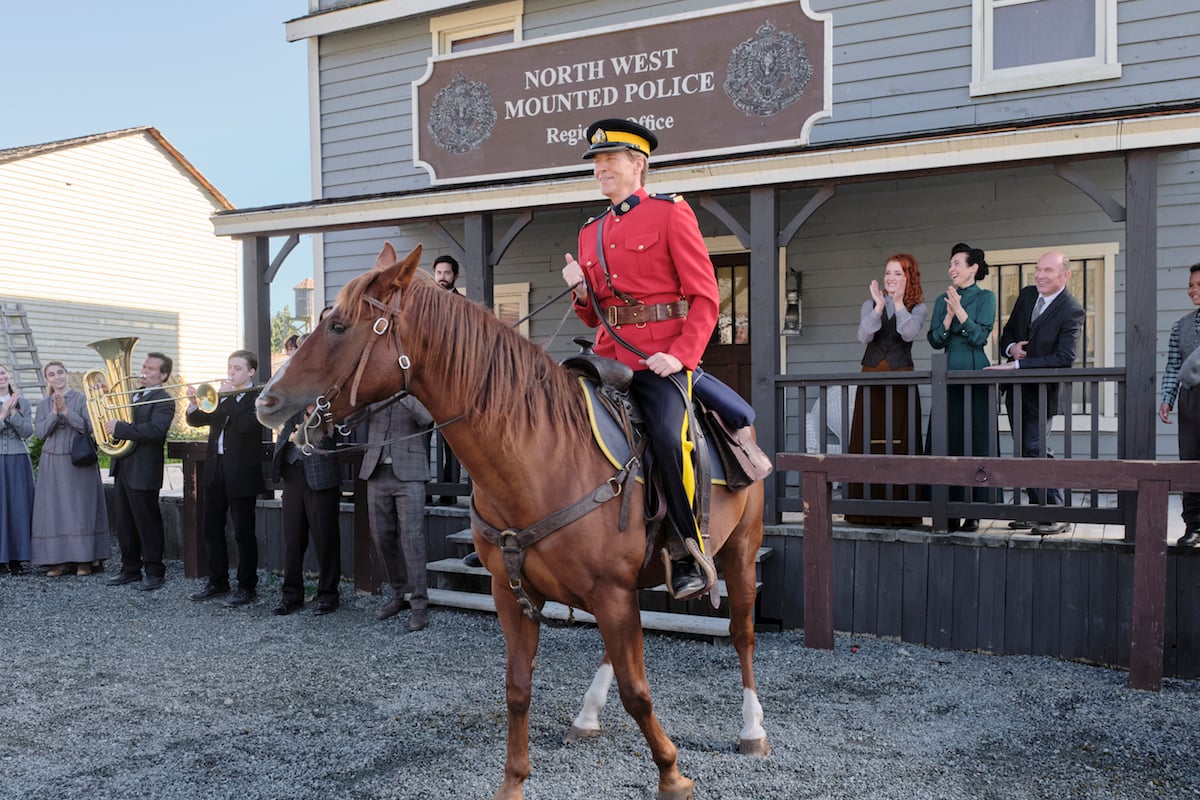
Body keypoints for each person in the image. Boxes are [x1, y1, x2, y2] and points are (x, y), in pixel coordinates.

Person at [561, 118, 720, 601]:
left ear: (639, 164)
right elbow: (593, 318)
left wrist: (681, 357)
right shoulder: (590, 232)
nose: (601, 168)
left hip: (660, 359)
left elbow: (706, 297)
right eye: (596, 162)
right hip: (608, 357)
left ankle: (685, 547)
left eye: (610, 159)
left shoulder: (671, 214)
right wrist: (578, 290)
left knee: (671, 437)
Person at [986, 251, 1085, 535]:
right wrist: (1010, 348)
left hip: (1043, 394)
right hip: (1016, 391)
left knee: (1037, 449)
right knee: (1024, 451)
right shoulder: (1028, 295)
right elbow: (1007, 332)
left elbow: (1065, 357)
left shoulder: (1071, 309)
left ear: (1065, 275)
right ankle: (1036, 511)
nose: (1040, 275)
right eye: (1038, 269)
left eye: (1048, 270)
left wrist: (1018, 364)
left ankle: (1056, 513)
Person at [846, 254, 927, 527]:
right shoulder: (870, 304)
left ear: (909, 277)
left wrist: (897, 304)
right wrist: (879, 307)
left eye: (898, 273)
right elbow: (863, 336)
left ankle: (901, 510)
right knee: (868, 439)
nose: (891, 278)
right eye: (888, 273)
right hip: (871, 380)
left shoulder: (918, 307)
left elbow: (908, 333)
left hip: (901, 380)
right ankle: (864, 510)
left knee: (900, 441)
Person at [185, 350, 268, 606]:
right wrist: (192, 404)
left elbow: (246, 425)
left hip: (242, 473)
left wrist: (224, 399)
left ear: (251, 372)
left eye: (237, 369)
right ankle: (218, 582)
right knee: (211, 528)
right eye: (229, 367)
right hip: (215, 469)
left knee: (243, 532)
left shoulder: (260, 396)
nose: (231, 373)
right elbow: (197, 421)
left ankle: (246, 587)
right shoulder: (221, 398)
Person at [926, 244, 996, 533]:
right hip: (947, 368)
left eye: (957, 263)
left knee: (975, 437)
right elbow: (935, 340)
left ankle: (975, 509)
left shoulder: (986, 297)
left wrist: (961, 313)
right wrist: (948, 316)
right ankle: (947, 506)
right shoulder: (943, 299)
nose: (951, 268)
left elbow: (980, 337)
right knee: (948, 436)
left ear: (973, 268)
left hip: (974, 367)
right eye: (950, 263)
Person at [358, 395, 436, 631]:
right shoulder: (374, 392)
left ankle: (419, 604)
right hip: (376, 471)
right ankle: (398, 593)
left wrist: (400, 394)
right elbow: (354, 415)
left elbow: (427, 418)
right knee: (381, 537)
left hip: (410, 473)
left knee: (412, 538)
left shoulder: (415, 392)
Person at [31, 361, 109, 576]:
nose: (57, 377)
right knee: (55, 511)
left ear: (66, 374)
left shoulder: (82, 398)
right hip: (52, 462)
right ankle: (58, 561)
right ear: (47, 379)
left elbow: (89, 427)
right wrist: (55, 413)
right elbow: (40, 433)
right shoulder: (44, 404)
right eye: (52, 375)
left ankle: (84, 560)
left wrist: (66, 411)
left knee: (80, 509)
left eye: (60, 373)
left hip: (78, 460)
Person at [106, 352, 175, 591]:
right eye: (143, 366)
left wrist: (121, 428)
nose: (143, 371)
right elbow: (117, 419)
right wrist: (105, 397)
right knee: (124, 521)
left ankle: (155, 571)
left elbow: (156, 431)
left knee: (147, 522)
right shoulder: (132, 394)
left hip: (144, 469)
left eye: (150, 368)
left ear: (163, 375)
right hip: (124, 465)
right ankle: (130, 568)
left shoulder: (164, 399)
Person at [270, 406, 343, 616]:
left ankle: (328, 595)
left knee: (326, 539)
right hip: (293, 471)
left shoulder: (330, 398)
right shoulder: (295, 398)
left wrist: (319, 416)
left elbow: (341, 429)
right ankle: (291, 596)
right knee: (292, 539)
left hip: (321, 474)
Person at [1158, 262, 1200, 547]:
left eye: (1198, 285)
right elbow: (1173, 366)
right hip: (1193, 399)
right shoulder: (1181, 326)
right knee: (1191, 463)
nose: (1193, 290)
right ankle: (1194, 526)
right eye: (1190, 285)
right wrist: (1167, 399)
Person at [431, 254, 463, 504]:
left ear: (455, 276)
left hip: (451, 383)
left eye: (447, 273)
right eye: (439, 273)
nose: (442, 277)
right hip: (424, 379)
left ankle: (449, 493)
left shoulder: (462, 305)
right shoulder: (424, 304)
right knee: (421, 436)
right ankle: (423, 491)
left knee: (451, 439)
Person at [0, 364, 35, 574]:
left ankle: (17, 558)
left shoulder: (23, 402)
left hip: (18, 458)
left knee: (18, 508)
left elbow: (27, 433)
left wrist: (13, 413)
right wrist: (4, 412)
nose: (1, 377)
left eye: (2, 372)